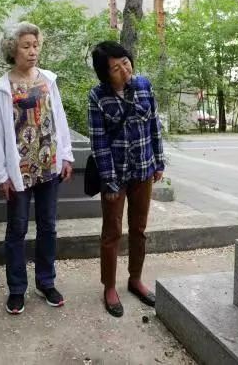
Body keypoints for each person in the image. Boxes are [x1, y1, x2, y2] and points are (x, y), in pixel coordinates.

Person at [0, 22, 74, 315]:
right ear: (13, 49)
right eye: (26, 46)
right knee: (17, 229)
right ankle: (16, 288)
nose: (33, 51)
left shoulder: (48, 79)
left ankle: (46, 282)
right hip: (19, 170)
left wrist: (66, 155)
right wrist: (0, 174)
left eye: (35, 45)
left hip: (48, 164)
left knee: (48, 227)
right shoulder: (1, 87)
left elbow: (58, 118)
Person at [87, 41, 165, 318]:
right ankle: (109, 286)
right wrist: (108, 182)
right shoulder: (98, 97)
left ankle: (135, 280)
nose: (124, 69)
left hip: (144, 170)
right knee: (111, 233)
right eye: (115, 67)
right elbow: (99, 143)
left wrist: (159, 161)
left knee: (139, 230)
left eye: (125, 61)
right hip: (115, 176)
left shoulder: (144, 85)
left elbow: (154, 125)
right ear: (105, 74)